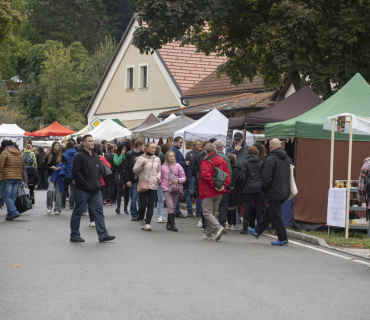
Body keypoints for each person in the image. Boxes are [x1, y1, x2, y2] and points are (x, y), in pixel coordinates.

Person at [70, 135, 115, 243]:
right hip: (82, 190)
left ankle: (103, 235)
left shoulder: (96, 156)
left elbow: (99, 171)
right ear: (84, 143)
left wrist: (98, 183)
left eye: (93, 141)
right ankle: (74, 235)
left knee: (99, 211)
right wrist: (85, 184)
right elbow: (76, 172)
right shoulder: (79, 156)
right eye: (89, 141)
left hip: (95, 190)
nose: (92, 143)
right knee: (78, 212)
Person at [249, 139, 291, 246]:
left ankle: (283, 238)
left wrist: (262, 189)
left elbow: (266, 178)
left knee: (276, 215)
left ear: (271, 146)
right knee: (269, 211)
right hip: (285, 190)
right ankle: (257, 231)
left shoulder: (270, 159)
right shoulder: (288, 159)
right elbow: (292, 174)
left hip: (274, 191)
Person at [199, 143, 230, 241]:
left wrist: (214, 186)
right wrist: (223, 186)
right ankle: (209, 234)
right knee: (211, 213)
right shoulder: (223, 161)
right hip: (220, 191)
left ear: (205, 152)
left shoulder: (205, 162)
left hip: (208, 191)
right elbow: (227, 175)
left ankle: (218, 228)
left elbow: (206, 176)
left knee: (207, 212)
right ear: (216, 151)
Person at [133, 142, 162, 231]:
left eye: (154, 147)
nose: (153, 149)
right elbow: (135, 170)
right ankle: (142, 219)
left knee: (151, 204)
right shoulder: (141, 158)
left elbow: (159, 170)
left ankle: (148, 223)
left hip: (153, 184)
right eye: (151, 147)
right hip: (143, 183)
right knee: (142, 205)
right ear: (147, 148)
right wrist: (142, 165)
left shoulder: (157, 159)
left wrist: (157, 178)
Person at [159, 151, 186, 231]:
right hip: (166, 188)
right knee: (170, 205)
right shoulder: (163, 167)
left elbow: (184, 177)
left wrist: (178, 180)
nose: (172, 157)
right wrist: (161, 183)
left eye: (173, 156)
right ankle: (173, 224)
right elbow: (160, 177)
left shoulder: (178, 166)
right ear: (167, 157)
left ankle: (169, 223)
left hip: (175, 188)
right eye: (170, 156)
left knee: (173, 206)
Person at [240, 146, 264, 234]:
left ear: (248, 153)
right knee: (258, 208)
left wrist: (244, 184)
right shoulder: (261, 162)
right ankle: (260, 229)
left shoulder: (246, 162)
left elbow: (243, 175)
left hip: (248, 187)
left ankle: (245, 228)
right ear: (257, 153)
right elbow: (264, 175)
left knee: (247, 207)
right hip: (258, 187)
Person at [0, 140, 25, 221]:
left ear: (6, 146)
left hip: (7, 177)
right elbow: (20, 168)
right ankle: (10, 214)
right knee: (11, 196)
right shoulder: (18, 154)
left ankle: (14, 212)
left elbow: (1, 165)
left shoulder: (4, 152)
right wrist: (21, 180)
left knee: (5, 196)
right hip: (17, 177)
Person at [42, 141, 68, 215]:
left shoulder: (62, 156)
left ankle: (57, 209)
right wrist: (50, 167)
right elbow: (43, 166)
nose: (57, 147)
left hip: (59, 175)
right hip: (51, 175)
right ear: (53, 146)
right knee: (50, 190)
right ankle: (49, 207)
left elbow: (66, 165)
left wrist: (61, 167)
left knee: (59, 192)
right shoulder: (48, 156)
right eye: (56, 145)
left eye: (58, 145)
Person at [125, 139, 145, 221]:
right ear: (139, 145)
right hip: (133, 179)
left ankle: (140, 214)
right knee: (134, 198)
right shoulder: (129, 154)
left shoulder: (144, 155)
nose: (145, 147)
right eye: (143, 145)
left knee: (141, 198)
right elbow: (126, 168)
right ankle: (133, 213)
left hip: (142, 179)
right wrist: (128, 180)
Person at [214, 140, 232, 228]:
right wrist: (226, 184)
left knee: (210, 205)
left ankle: (208, 224)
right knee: (223, 205)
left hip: (212, 185)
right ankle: (221, 224)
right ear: (221, 147)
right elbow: (229, 172)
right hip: (223, 184)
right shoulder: (225, 157)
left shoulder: (209, 157)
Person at [226, 153, 243, 230]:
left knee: (228, 207)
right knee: (233, 207)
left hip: (227, 189)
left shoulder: (226, 169)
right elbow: (240, 180)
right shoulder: (237, 170)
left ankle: (229, 223)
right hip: (235, 190)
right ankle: (234, 223)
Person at [185, 140, 202, 218]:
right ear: (194, 145)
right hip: (191, 175)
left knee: (199, 194)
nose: (199, 146)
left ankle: (198, 211)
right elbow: (185, 163)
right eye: (197, 144)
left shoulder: (201, 153)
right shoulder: (189, 153)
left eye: (200, 144)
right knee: (190, 193)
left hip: (199, 175)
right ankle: (189, 211)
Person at [171, 136, 187, 218]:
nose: (181, 144)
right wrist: (185, 163)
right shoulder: (173, 150)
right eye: (180, 142)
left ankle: (176, 211)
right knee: (176, 194)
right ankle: (176, 211)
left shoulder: (175, 149)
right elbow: (174, 161)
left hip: (176, 175)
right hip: (175, 175)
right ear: (175, 142)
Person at [156, 144, 171, 223]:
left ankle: (161, 215)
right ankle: (159, 215)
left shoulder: (165, 158)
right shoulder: (160, 158)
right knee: (161, 199)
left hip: (167, 181)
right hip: (161, 181)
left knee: (164, 199)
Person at [62, 141, 77, 210]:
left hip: (65, 173)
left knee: (64, 189)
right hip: (74, 173)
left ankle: (63, 203)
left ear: (66, 147)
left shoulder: (64, 154)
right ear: (73, 146)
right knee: (73, 189)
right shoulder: (77, 154)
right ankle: (71, 204)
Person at [114, 141, 127, 214]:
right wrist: (122, 155)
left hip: (126, 174)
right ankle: (118, 207)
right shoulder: (116, 155)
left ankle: (125, 208)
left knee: (126, 192)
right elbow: (117, 163)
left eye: (125, 147)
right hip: (119, 174)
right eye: (123, 147)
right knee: (119, 191)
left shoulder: (128, 154)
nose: (124, 148)